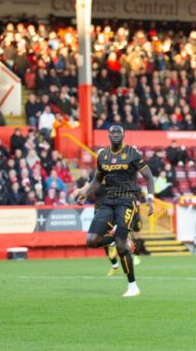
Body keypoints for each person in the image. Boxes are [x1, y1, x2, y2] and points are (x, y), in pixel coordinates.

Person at [72, 125, 154, 297]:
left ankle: (133, 286)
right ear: (108, 135)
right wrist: (84, 194)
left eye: (119, 132)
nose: (116, 135)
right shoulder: (103, 155)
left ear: (123, 135)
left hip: (126, 201)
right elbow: (96, 181)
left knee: (120, 243)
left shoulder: (132, 153)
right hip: (108, 202)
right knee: (91, 240)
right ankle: (117, 240)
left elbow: (149, 177)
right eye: (113, 132)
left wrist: (151, 199)